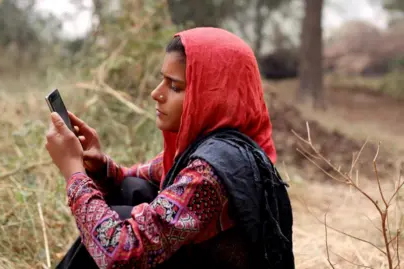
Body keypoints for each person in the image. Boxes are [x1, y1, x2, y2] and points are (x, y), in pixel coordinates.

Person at [45, 27, 295, 269]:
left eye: (175, 87)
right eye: (162, 81)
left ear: (213, 96)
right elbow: (133, 178)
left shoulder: (210, 173)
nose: (156, 93)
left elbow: (122, 253)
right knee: (134, 189)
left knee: (117, 225)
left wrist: (74, 173)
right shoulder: (216, 145)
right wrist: (100, 167)